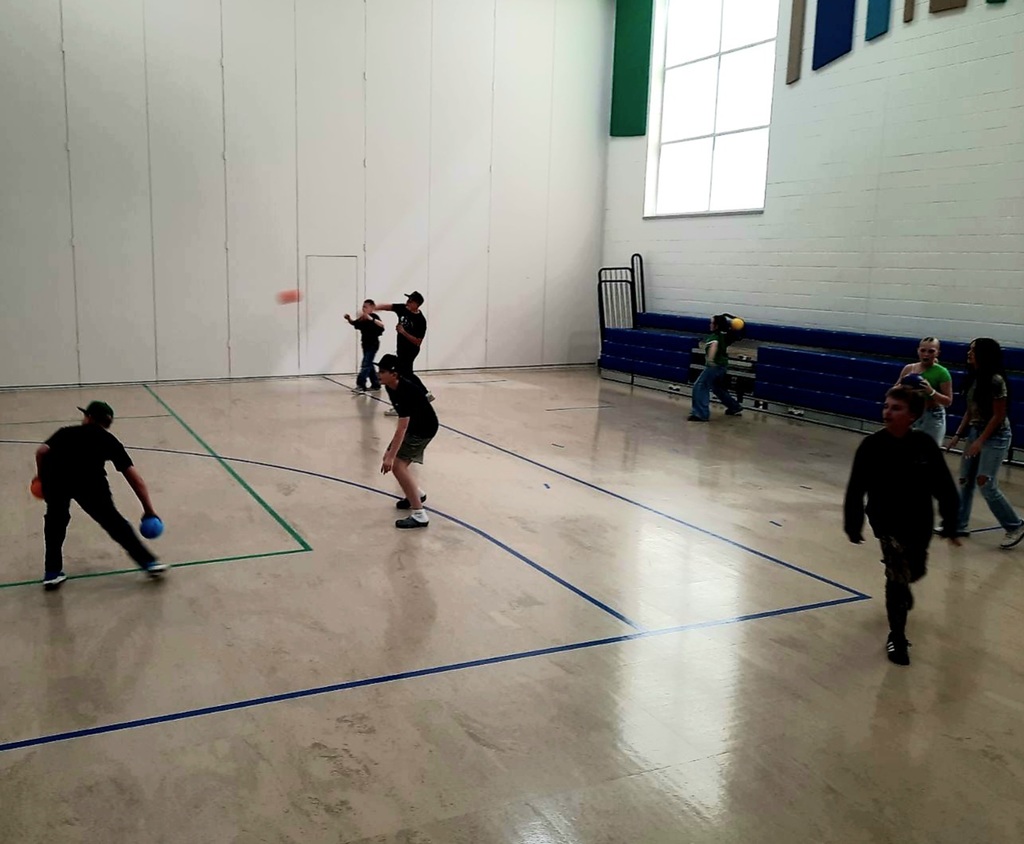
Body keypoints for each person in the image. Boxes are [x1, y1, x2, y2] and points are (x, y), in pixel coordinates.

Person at [844, 386, 960, 665]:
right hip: (886, 520)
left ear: (912, 416)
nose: (887, 412)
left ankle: (907, 580)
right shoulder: (871, 446)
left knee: (914, 570)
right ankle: (897, 637)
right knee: (895, 574)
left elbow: (943, 486)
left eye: (896, 408)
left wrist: (951, 521)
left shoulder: (924, 446)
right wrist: (853, 522)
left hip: (919, 519)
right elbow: (856, 488)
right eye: (886, 406)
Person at [32, 401, 166, 590]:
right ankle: (149, 562)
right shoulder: (109, 441)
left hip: (58, 481)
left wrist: (41, 476)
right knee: (114, 523)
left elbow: (41, 452)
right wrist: (149, 510)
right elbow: (135, 480)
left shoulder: (65, 433)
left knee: (55, 523)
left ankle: (52, 573)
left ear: (89, 417)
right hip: (91, 484)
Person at [946, 338, 1024, 549]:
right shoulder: (974, 377)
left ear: (984, 354)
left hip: (996, 435)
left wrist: (981, 441)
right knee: (965, 479)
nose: (968, 353)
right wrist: (958, 434)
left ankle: (1015, 525)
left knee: (985, 482)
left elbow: (998, 415)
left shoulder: (996, 380)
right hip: (975, 430)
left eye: (973, 350)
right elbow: (971, 410)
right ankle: (960, 525)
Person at [376, 354, 438, 529]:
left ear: (394, 374)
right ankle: (417, 494)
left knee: (397, 465)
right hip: (414, 427)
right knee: (391, 458)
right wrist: (389, 453)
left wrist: (391, 456)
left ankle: (420, 515)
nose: (378, 374)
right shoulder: (390, 386)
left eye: (382, 371)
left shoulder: (405, 391)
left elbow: (402, 428)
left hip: (422, 429)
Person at [371, 291, 431, 415]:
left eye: (410, 301)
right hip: (401, 349)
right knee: (407, 373)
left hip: (411, 350)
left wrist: (403, 332)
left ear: (417, 304)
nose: (407, 303)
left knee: (401, 374)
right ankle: (424, 394)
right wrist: (373, 308)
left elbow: (418, 342)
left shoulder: (420, 320)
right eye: (407, 300)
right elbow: (388, 307)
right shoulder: (403, 309)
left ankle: (404, 405)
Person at [894, 336, 953, 446]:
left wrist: (931, 391)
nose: (926, 354)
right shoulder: (909, 369)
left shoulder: (942, 373)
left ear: (937, 353)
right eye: (923, 350)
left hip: (933, 416)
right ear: (918, 350)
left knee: (929, 452)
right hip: (912, 413)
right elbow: (893, 391)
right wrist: (903, 385)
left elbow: (948, 401)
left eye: (931, 351)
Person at [688, 313, 743, 422]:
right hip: (722, 366)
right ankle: (735, 407)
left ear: (716, 325)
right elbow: (741, 328)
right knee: (718, 388)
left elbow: (714, 345)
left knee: (700, 386)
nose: (710, 324)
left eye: (712, 322)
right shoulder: (725, 335)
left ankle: (700, 414)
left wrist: (711, 359)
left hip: (714, 366)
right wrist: (732, 318)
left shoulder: (715, 336)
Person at [345, 299, 385, 392]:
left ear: (371, 308)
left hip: (373, 344)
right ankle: (376, 384)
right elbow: (355, 323)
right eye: (363, 306)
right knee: (369, 364)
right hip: (365, 344)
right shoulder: (363, 319)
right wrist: (349, 319)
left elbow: (382, 325)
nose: (363, 309)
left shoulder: (374, 317)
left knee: (365, 364)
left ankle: (361, 385)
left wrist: (370, 318)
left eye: (365, 307)